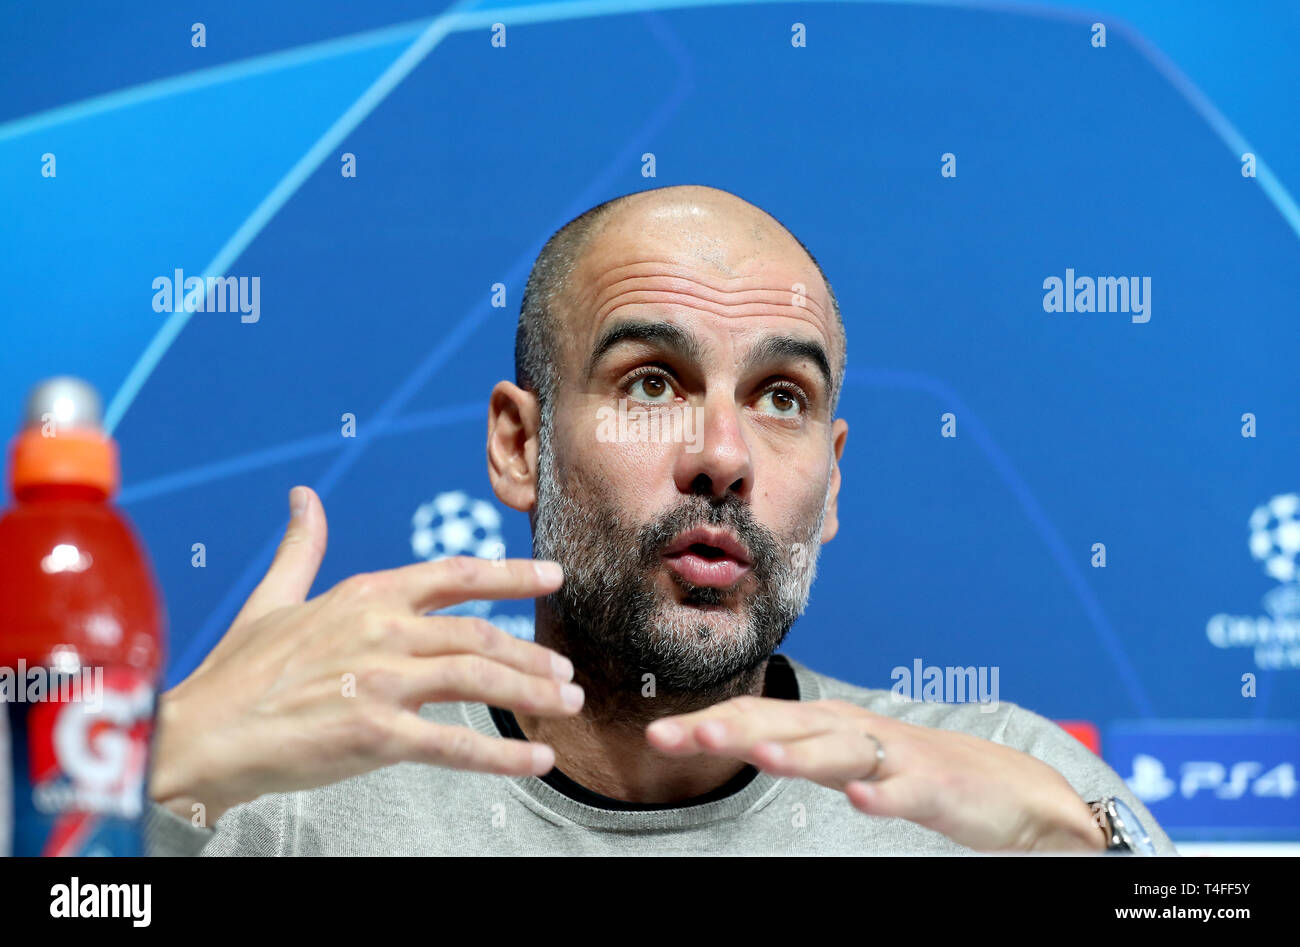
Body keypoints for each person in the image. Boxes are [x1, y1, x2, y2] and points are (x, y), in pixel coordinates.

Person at [146, 184, 1175, 855]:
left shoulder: (994, 784)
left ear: (831, 483)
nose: (724, 457)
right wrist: (167, 760)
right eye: (650, 381)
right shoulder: (281, 794)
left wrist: (1080, 842)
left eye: (782, 397)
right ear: (519, 445)